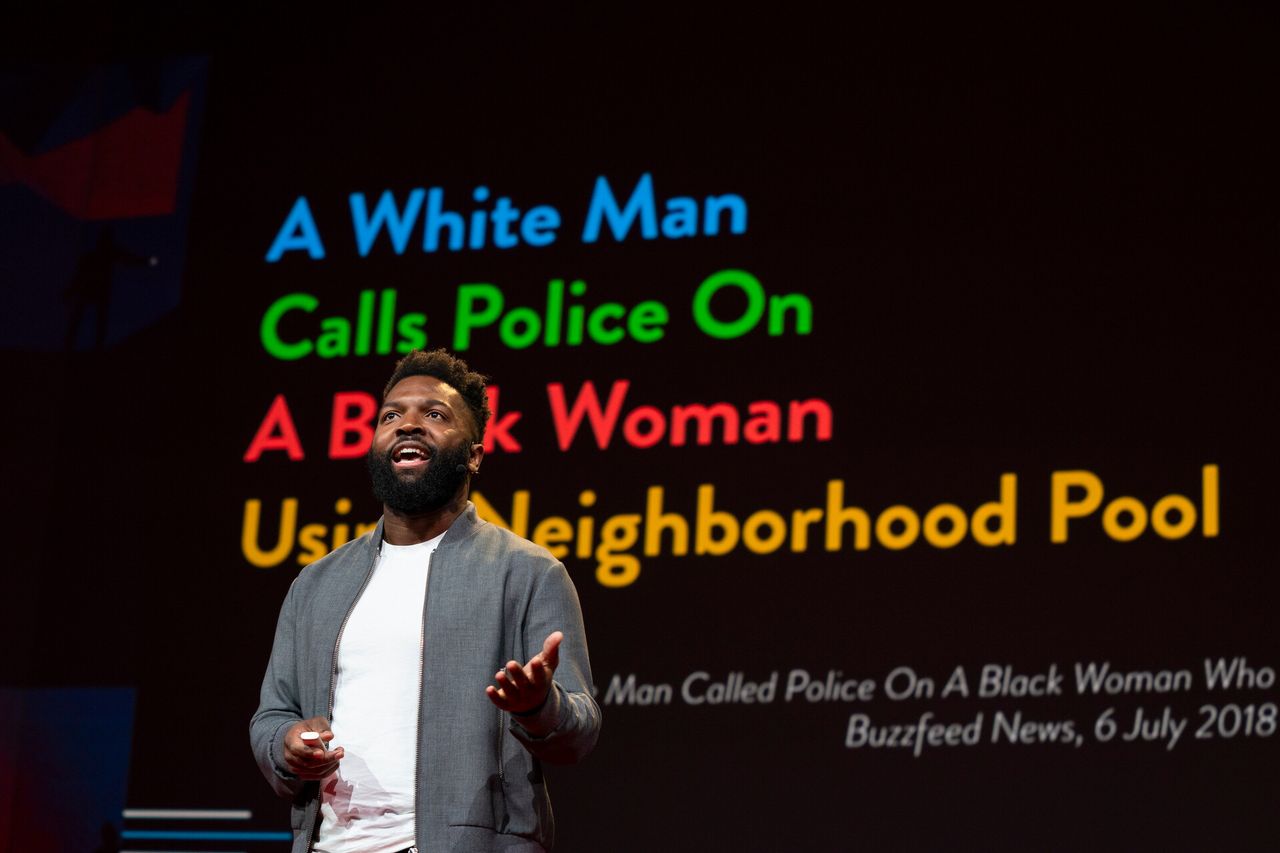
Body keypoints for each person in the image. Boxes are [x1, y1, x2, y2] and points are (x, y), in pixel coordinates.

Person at [250, 349, 600, 853]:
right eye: (391, 416)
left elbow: (579, 731)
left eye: (434, 415)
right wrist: (288, 746)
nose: (408, 424)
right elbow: (273, 716)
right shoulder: (316, 584)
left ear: (474, 455)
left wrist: (538, 706)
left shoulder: (527, 572)